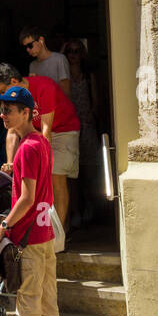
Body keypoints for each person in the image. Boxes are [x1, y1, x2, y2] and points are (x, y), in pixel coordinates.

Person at [0, 86, 59, 316]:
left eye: (10, 109)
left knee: (29, 304)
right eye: (2, 108)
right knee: (49, 303)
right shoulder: (41, 142)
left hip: (30, 237)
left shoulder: (28, 148)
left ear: (26, 113)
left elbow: (28, 197)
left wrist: (4, 226)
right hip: (45, 234)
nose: (3, 113)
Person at [0, 63, 79, 227]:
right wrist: (10, 162)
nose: (2, 95)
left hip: (63, 129)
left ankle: (59, 235)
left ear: (14, 81)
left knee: (56, 176)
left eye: (2, 91)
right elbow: (12, 131)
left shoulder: (44, 86)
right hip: (35, 133)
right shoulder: (13, 98)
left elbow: (46, 129)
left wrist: (42, 161)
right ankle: (42, 228)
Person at [61, 38, 103, 226]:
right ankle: (75, 211)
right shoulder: (64, 76)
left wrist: (91, 116)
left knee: (89, 171)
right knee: (71, 174)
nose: (74, 55)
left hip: (86, 126)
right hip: (69, 127)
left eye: (77, 51)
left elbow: (96, 101)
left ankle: (90, 207)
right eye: (70, 51)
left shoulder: (88, 75)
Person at [19, 26, 71, 96]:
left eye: (30, 45)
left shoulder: (59, 59)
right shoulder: (32, 65)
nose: (27, 49)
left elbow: (65, 93)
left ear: (41, 40)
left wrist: (41, 82)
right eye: (25, 47)